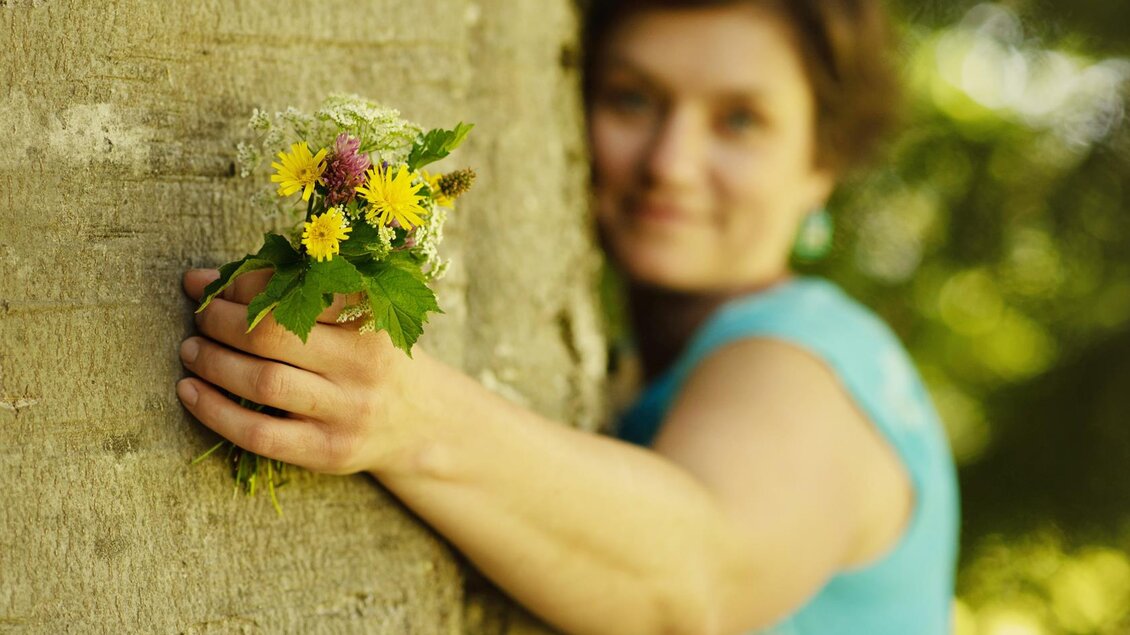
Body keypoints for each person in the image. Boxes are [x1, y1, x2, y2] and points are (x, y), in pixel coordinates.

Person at [175, 0, 960, 632]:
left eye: (740, 120)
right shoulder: (643, 365)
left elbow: (700, 579)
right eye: (632, 100)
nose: (670, 163)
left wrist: (410, 416)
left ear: (823, 160)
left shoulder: (810, 361)